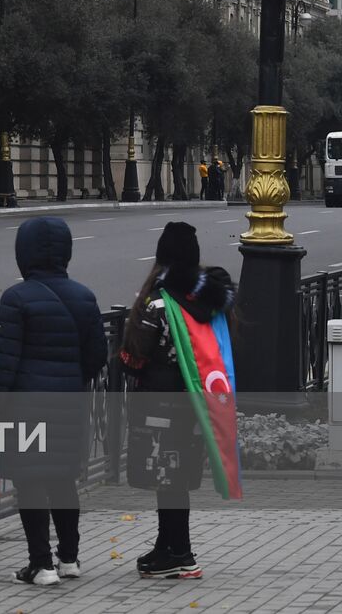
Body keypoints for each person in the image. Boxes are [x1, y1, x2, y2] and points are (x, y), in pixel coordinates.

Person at [0, 216, 108, 586]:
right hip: (69, 403)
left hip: (26, 408)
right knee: (64, 480)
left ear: (24, 252)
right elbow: (97, 354)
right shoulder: (84, 297)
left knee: (30, 481)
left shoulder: (16, 298)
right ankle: (70, 558)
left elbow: (3, 363)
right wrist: (70, 377)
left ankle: (41, 564)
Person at [120, 222, 239, 580]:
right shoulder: (210, 302)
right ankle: (167, 545)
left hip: (160, 405)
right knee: (176, 479)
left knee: (167, 480)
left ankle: (181, 554)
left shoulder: (158, 304)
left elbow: (133, 357)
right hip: (198, 403)